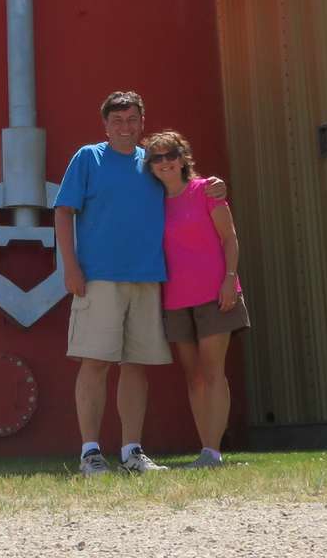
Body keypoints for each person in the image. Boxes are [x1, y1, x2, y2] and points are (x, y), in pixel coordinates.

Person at [54, 91, 225, 476]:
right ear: (105, 125)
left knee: (136, 365)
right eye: (117, 120)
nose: (125, 127)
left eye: (132, 120)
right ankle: (90, 454)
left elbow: (188, 187)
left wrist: (215, 186)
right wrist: (71, 266)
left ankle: (132, 452)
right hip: (98, 277)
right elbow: (64, 212)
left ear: (141, 122)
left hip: (148, 279)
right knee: (95, 362)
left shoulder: (152, 162)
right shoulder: (88, 158)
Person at [144, 129, 250, 468]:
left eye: (170, 154)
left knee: (213, 371)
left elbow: (229, 238)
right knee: (194, 377)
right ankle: (205, 450)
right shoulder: (152, 203)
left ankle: (212, 451)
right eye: (156, 158)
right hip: (175, 299)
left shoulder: (206, 190)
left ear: (183, 157)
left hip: (215, 294)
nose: (165, 163)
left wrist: (229, 281)